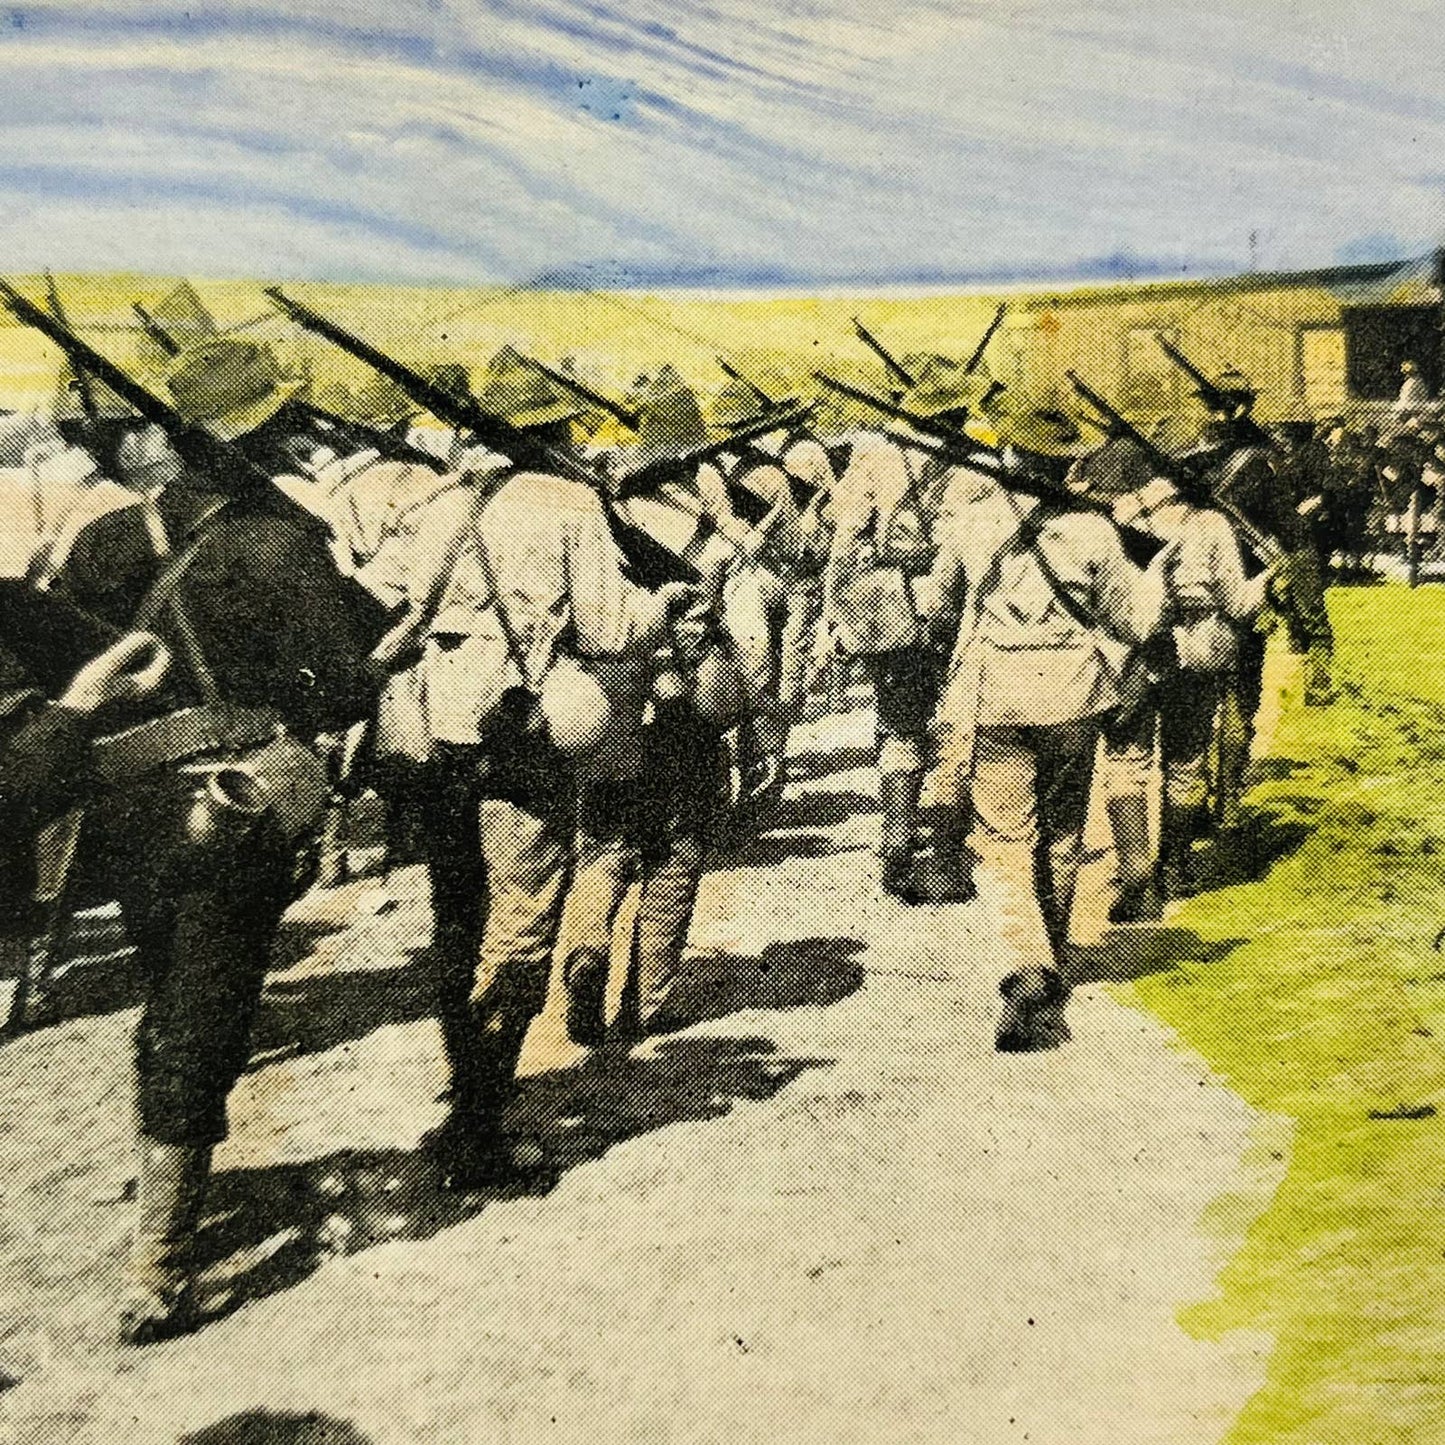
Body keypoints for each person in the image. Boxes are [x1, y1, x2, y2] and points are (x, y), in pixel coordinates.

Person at [42, 334, 389, 1344]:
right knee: (205, 1011)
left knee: (171, 988)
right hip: (227, 804)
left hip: (122, 806)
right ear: (260, 432)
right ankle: (157, 1264)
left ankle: (164, 1173)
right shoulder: (276, 543)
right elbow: (346, 678)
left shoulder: (105, 540)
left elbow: (80, 665)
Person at [391, 381, 694, 1190]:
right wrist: (663, 604)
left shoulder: (442, 498)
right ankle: (479, 1129)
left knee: (457, 923)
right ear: (556, 427)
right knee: (520, 928)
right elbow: (608, 630)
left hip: (433, 729)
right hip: (521, 732)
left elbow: (401, 604)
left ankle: (466, 1094)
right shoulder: (566, 503)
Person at [914, 420, 1173, 1050]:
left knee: (1004, 841)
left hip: (996, 694)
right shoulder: (1095, 530)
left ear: (1008, 453)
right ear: (1069, 465)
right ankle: (1051, 954)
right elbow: (1134, 622)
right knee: (1063, 835)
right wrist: (1159, 571)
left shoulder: (976, 522)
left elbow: (937, 606)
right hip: (1074, 696)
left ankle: (1027, 962)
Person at [1102, 465, 1271, 917]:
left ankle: (1136, 881)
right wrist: (1269, 580)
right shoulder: (1212, 524)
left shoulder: (1119, 514)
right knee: (1185, 763)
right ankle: (1174, 869)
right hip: (1197, 646)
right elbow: (1237, 604)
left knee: (1126, 763)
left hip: (1133, 653)